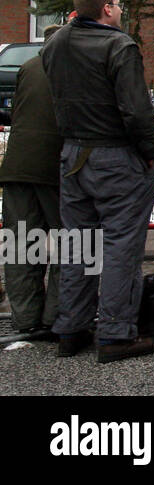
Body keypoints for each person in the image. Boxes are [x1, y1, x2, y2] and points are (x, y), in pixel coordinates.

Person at [42, 0, 154, 362]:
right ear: (107, 9)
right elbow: (136, 110)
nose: (121, 11)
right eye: (119, 4)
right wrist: (149, 152)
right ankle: (115, 334)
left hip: (73, 152)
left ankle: (70, 328)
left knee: (78, 245)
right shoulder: (119, 47)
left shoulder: (56, 44)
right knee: (121, 247)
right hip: (116, 156)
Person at [0, 24, 65, 341]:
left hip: (16, 167)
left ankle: (25, 318)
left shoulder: (27, 66)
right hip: (55, 169)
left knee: (20, 245)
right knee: (70, 245)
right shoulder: (73, 67)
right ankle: (56, 316)